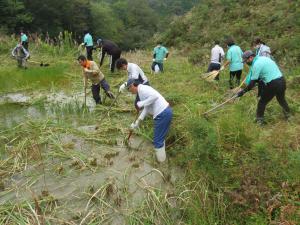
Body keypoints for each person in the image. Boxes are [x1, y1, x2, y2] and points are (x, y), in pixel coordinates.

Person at [237, 50, 290, 125]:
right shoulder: (264, 58)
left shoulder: (256, 64)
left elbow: (252, 84)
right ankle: (288, 116)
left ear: (251, 57)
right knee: (281, 99)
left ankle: (260, 121)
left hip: (273, 84)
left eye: (246, 61)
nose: (246, 63)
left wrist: (242, 92)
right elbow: (264, 73)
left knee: (262, 102)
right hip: (282, 81)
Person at [127, 79, 173, 162]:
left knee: (157, 141)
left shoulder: (143, 89)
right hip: (165, 112)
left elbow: (154, 97)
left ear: (132, 86)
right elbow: (147, 108)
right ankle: (163, 159)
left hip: (162, 114)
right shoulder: (141, 90)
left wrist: (142, 103)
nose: (130, 92)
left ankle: (161, 165)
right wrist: (137, 122)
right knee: (160, 139)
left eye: (129, 89)